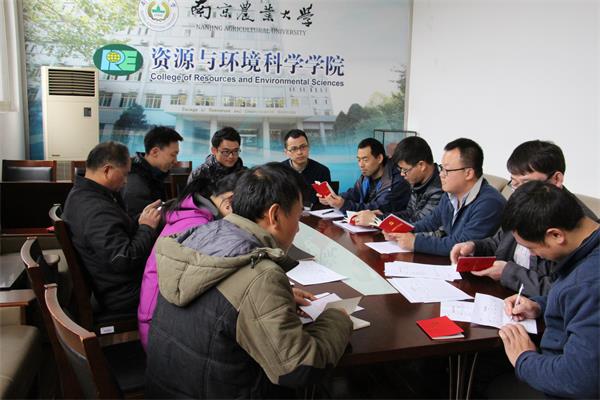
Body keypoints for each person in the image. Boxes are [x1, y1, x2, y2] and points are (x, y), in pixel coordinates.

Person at [146, 163, 352, 398]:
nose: (297, 229)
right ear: (275, 215)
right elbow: (298, 368)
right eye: (297, 217)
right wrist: (336, 319)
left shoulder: (200, 236)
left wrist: (276, 299)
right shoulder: (261, 276)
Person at [450, 140, 598, 296]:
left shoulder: (575, 224)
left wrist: (508, 273)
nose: (519, 191)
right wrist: (474, 246)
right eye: (514, 183)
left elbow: (566, 289)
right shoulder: (525, 203)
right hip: (506, 294)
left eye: (526, 183)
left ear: (556, 179)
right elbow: (502, 241)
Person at [497, 181, 599, 398]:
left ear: (556, 235)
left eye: (532, 248)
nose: (533, 255)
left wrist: (523, 358)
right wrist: (540, 305)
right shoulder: (586, 252)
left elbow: (580, 379)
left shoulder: (588, 283)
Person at [137, 172, 241, 349]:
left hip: (156, 320)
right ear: (229, 201)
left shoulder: (192, 213)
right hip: (159, 332)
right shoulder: (201, 227)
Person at [62, 141, 161, 314]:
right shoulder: (96, 209)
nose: (126, 181)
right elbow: (124, 259)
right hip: (123, 293)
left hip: (113, 283)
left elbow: (117, 229)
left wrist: (141, 219)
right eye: (125, 174)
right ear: (107, 170)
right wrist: (146, 228)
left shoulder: (82, 193)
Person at [386, 138, 506, 256]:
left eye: (446, 170)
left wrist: (415, 242)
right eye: (441, 168)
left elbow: (462, 245)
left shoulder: (489, 203)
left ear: (468, 173)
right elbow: (429, 222)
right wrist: (400, 230)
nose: (441, 174)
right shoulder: (450, 195)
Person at [352, 136, 443, 226]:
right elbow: (409, 213)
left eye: (405, 170)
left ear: (421, 165)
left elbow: (420, 223)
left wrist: (377, 220)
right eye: (400, 169)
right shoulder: (417, 182)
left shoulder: (439, 189)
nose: (402, 174)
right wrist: (381, 217)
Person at [319, 137, 410, 212]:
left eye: (365, 160)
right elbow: (354, 194)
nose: (361, 165)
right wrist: (333, 198)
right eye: (359, 160)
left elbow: (378, 209)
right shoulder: (366, 176)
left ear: (379, 158)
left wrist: (344, 205)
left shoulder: (396, 181)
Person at [122, 126, 183, 219]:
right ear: (154, 152)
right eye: (173, 155)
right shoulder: (136, 183)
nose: (175, 161)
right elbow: (142, 221)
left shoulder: (153, 174)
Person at [281, 129, 331, 207]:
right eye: (294, 149)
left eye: (303, 147)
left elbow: (328, 203)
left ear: (309, 147)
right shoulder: (279, 172)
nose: (299, 152)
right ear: (286, 152)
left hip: (315, 213)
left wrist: (327, 201)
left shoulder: (322, 171)